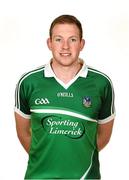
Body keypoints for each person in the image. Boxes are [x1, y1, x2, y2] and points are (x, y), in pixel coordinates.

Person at [14, 14, 115, 179]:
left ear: (82, 44)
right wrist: (46, 158)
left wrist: (77, 157)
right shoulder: (29, 82)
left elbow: (103, 136)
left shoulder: (101, 83)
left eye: (73, 39)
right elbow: (23, 133)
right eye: (58, 39)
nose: (65, 46)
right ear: (49, 43)